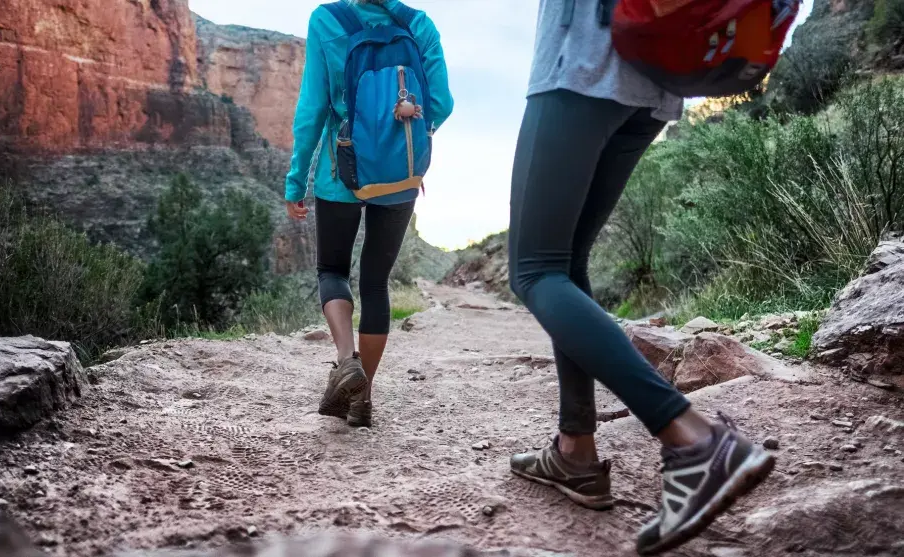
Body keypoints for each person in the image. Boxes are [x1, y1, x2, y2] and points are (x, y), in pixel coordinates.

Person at [506, 1, 775, 555]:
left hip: (582, 62)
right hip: (652, 75)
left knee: (534, 270)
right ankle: (574, 451)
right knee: (566, 264)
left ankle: (692, 439)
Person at [284, 0, 453, 429]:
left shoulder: (328, 20)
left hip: (341, 170)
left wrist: (295, 179)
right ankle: (364, 398)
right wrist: (403, 137)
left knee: (331, 270)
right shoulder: (418, 24)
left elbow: (313, 108)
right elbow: (443, 102)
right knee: (376, 281)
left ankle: (346, 361)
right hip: (400, 176)